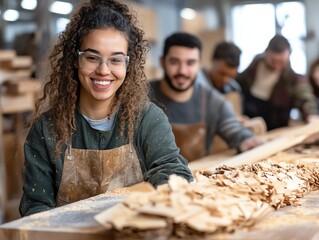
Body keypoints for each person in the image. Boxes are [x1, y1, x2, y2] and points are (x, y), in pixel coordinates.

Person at [19, 0, 193, 217]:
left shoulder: (148, 119)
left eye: (116, 60)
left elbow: (173, 173)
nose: (103, 70)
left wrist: (162, 201)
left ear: (127, 65)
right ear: (75, 60)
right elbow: (35, 208)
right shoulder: (47, 129)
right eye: (92, 57)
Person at [149, 32, 264, 162]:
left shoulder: (213, 102)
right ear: (162, 62)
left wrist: (246, 139)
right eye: (174, 62)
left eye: (190, 63)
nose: (182, 71)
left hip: (195, 180)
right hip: (147, 182)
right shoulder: (140, 96)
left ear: (199, 64)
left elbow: (234, 130)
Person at [236, 34, 318, 130]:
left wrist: (311, 115)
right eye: (273, 61)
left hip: (276, 125)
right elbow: (238, 84)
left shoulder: (292, 78)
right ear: (267, 52)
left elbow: (304, 96)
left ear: (288, 56)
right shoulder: (254, 67)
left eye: (281, 61)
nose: (277, 66)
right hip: (251, 123)